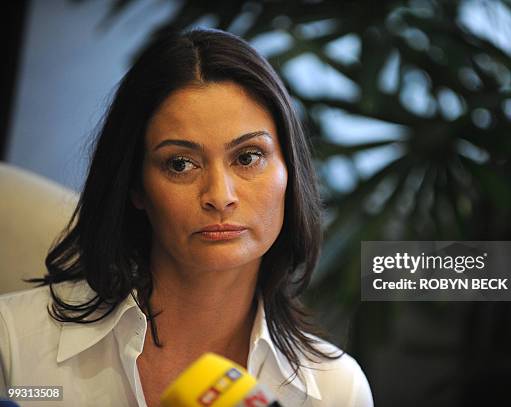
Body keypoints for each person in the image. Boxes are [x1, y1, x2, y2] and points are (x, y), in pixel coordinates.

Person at [0, 29, 373, 406]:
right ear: (136, 187)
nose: (219, 197)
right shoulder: (13, 343)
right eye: (180, 164)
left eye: (247, 157)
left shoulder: (335, 391)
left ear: (289, 171)